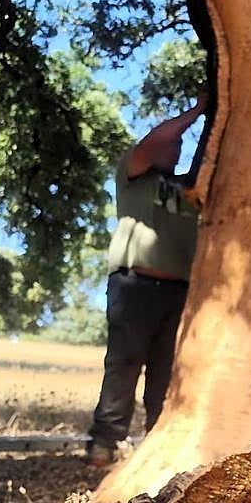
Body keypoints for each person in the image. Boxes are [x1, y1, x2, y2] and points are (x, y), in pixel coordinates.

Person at [85, 95, 208, 467]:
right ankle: (104, 443)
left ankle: (156, 447)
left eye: (181, 145)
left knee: (165, 375)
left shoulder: (192, 192)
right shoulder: (134, 173)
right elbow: (153, 142)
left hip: (179, 292)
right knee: (123, 363)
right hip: (134, 286)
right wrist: (198, 111)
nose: (176, 147)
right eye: (172, 141)